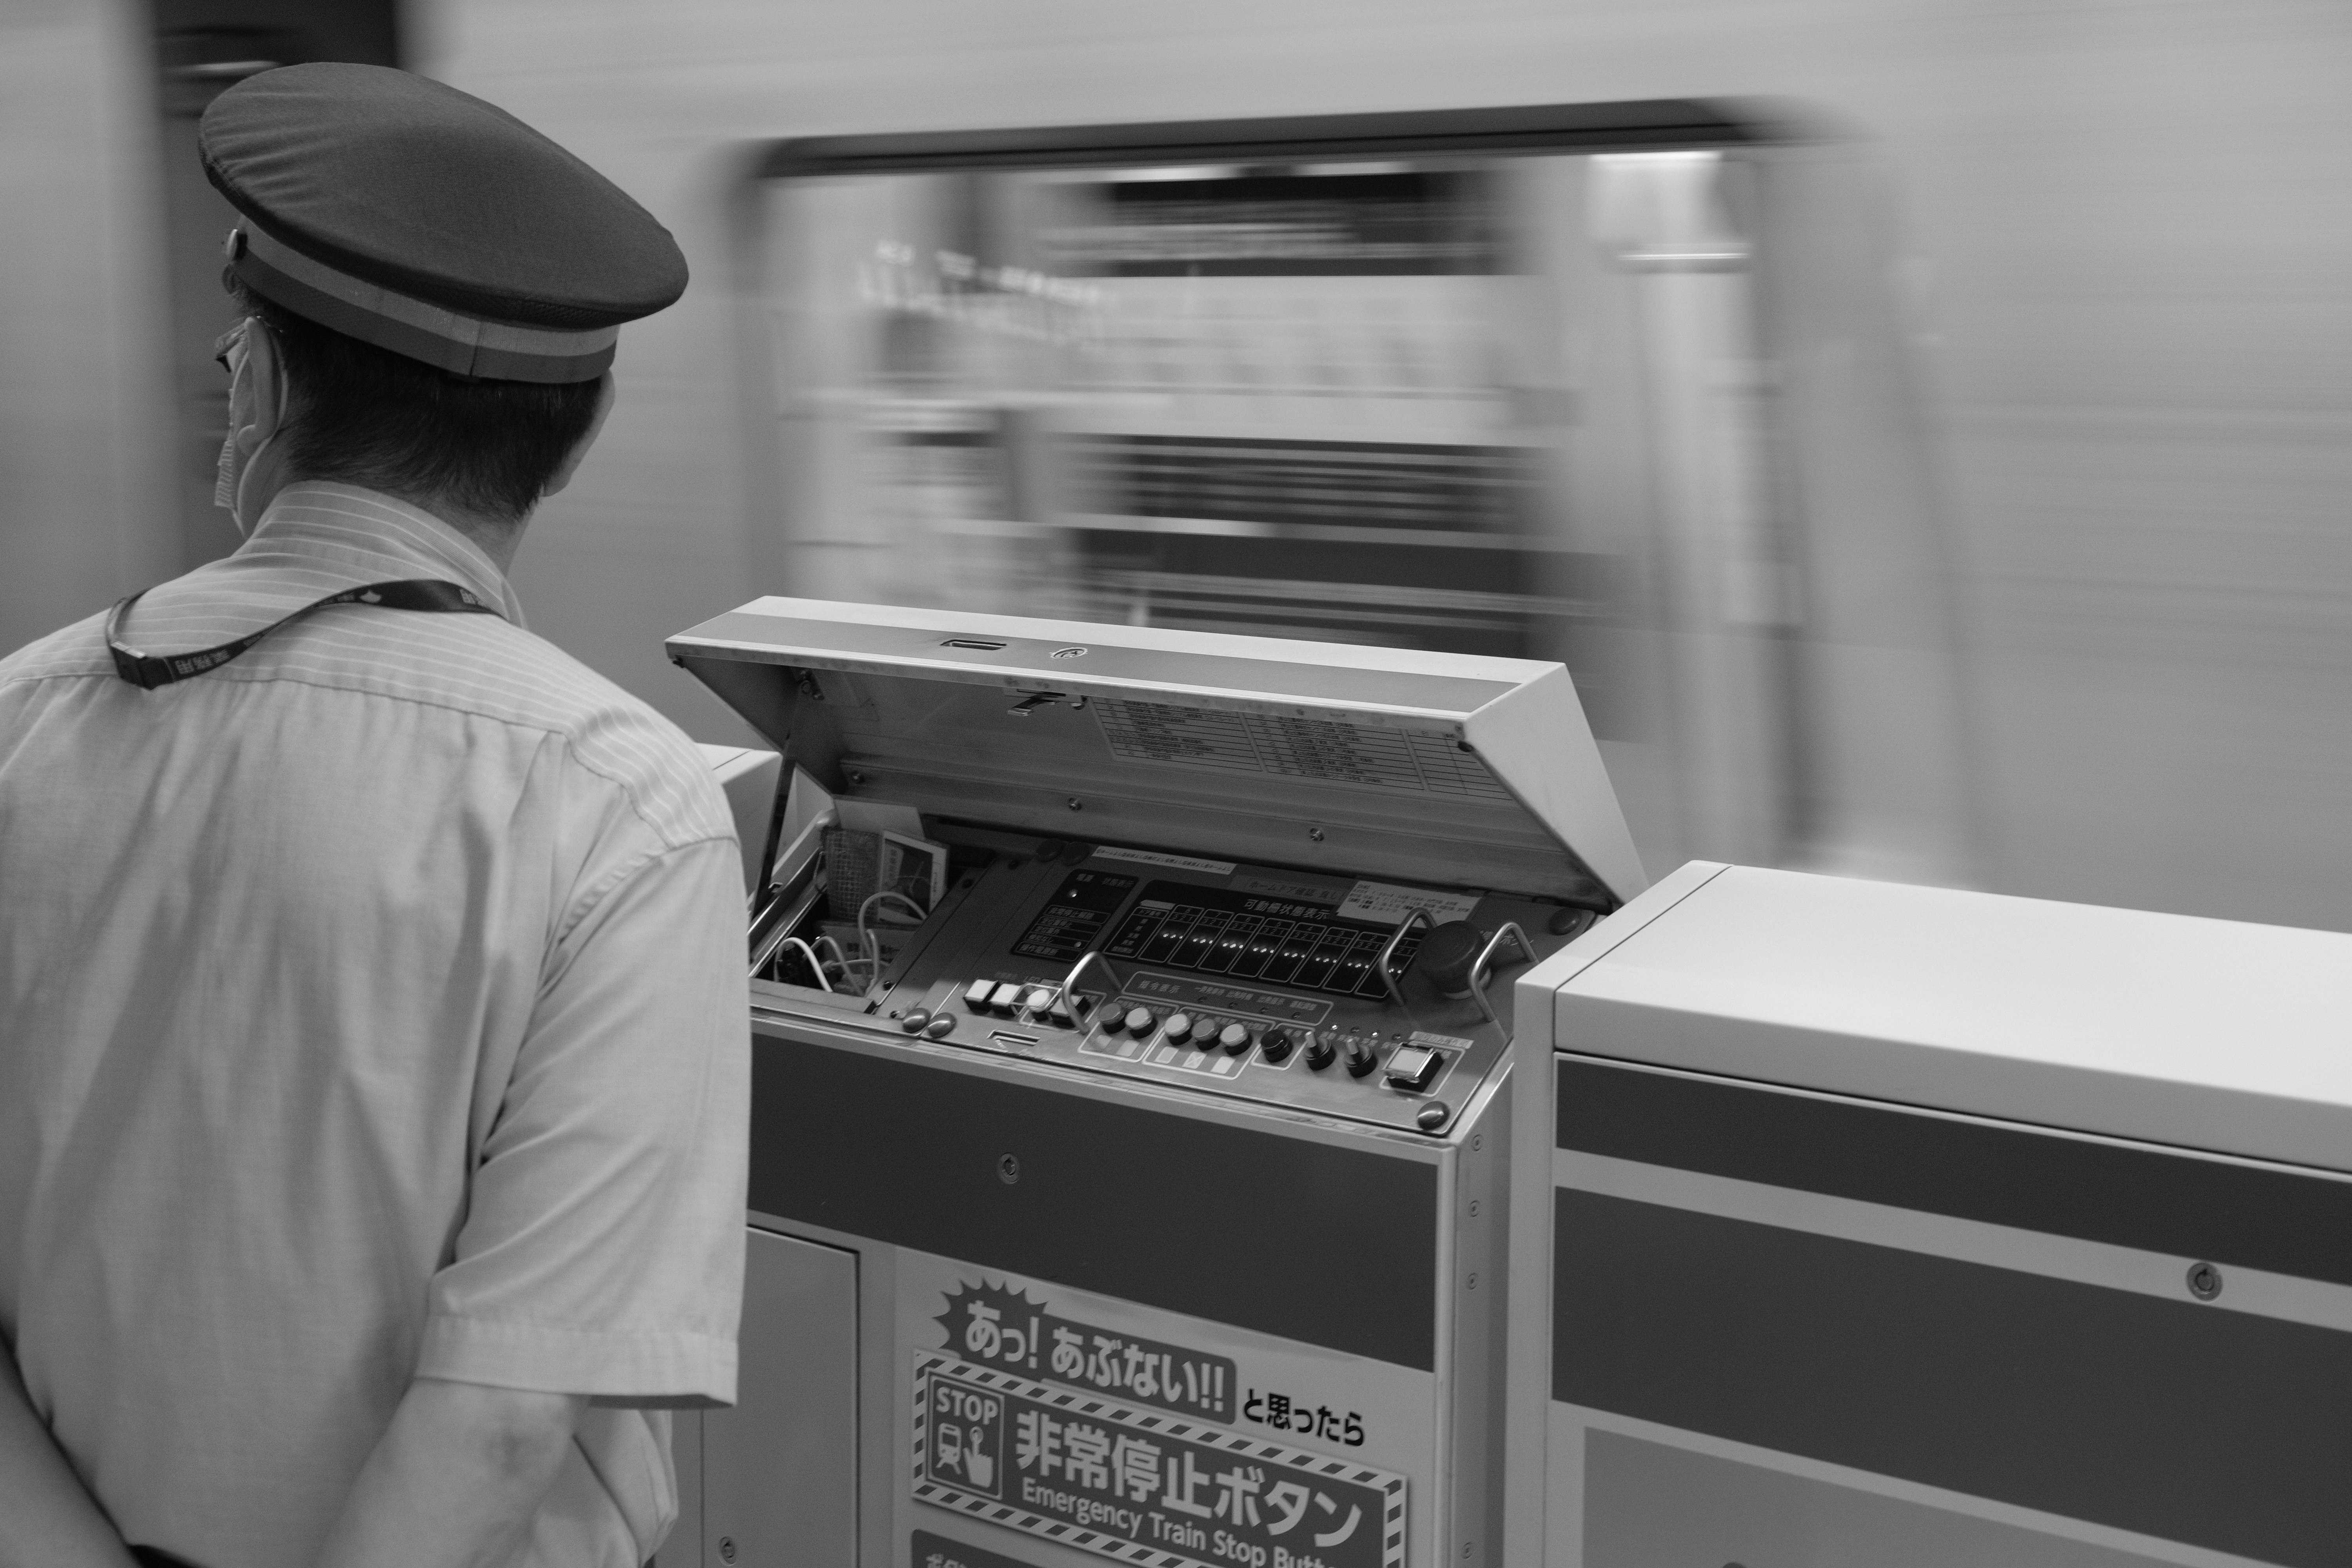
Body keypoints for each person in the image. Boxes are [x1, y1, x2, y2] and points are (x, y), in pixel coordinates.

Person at [0, 64, 749, 1568]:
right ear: (576, 440)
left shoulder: (21, 718)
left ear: (262, 388)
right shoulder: (620, 804)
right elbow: (499, 1427)